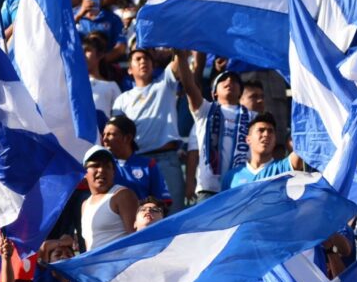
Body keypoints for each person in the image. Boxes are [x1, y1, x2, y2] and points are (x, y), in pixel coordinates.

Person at [112, 47, 199, 211]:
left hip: (167, 160)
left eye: (147, 59)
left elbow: (179, 58)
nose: (143, 61)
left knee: (174, 215)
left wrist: (175, 45)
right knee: (142, 216)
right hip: (137, 162)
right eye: (138, 59)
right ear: (129, 69)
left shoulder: (165, 84)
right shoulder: (121, 100)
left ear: (153, 65)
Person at [188, 69, 255, 200]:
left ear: (240, 92)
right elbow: (190, 88)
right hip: (208, 188)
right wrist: (190, 182)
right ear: (214, 92)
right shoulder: (205, 111)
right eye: (223, 79)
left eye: (235, 81)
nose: (229, 81)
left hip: (240, 187)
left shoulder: (253, 117)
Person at [100, 115, 171, 204]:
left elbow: (161, 201)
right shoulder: (101, 166)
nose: (105, 139)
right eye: (104, 134)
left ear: (128, 138)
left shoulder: (148, 165)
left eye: (111, 134)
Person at [80, 146, 137, 252]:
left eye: (107, 166)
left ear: (113, 171)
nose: (101, 170)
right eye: (95, 165)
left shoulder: (122, 195)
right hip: (95, 267)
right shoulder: (85, 205)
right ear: (84, 172)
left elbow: (136, 239)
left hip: (120, 267)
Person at [220, 112, 290, 190]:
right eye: (261, 130)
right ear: (248, 139)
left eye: (270, 131)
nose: (266, 134)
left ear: (275, 141)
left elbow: (300, 154)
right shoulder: (232, 176)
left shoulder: (284, 169)